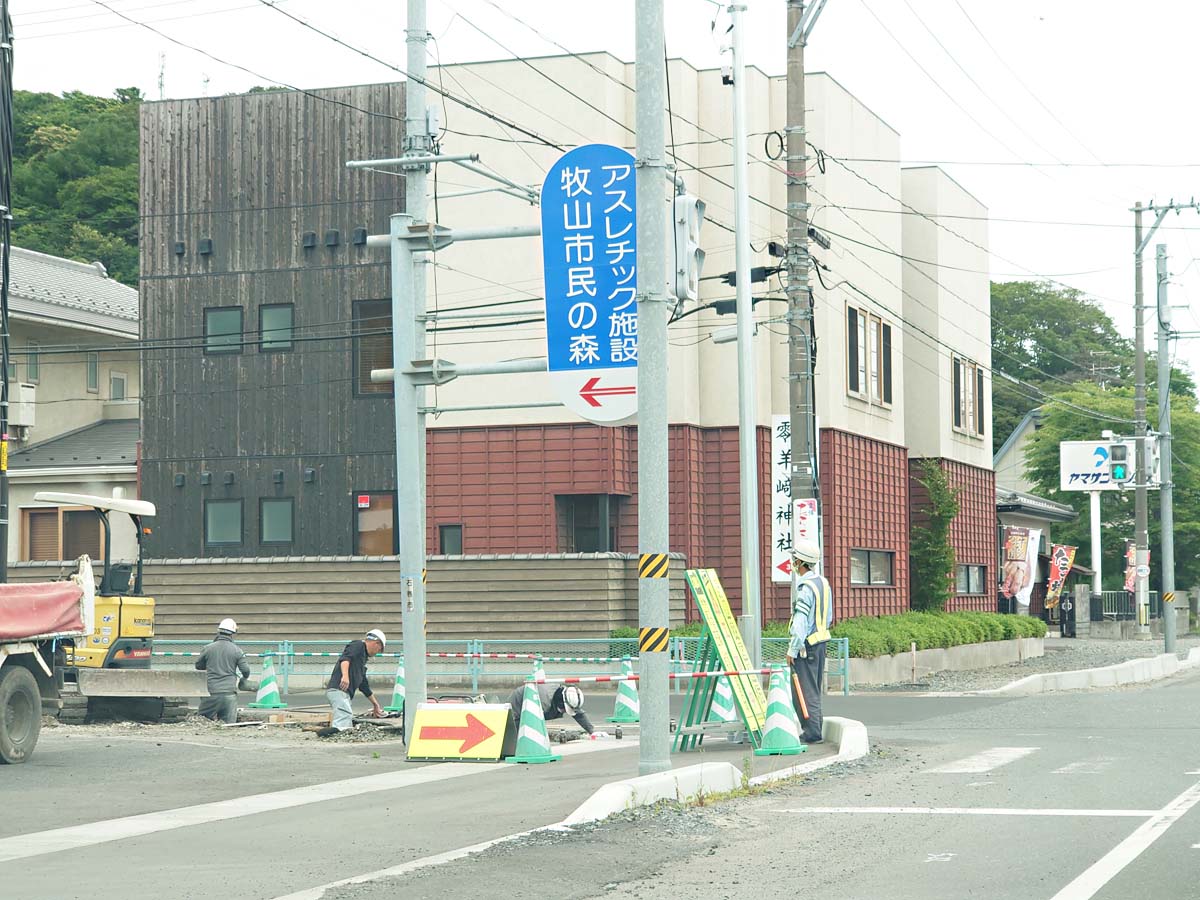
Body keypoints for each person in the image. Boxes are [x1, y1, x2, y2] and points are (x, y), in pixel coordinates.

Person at [787, 540, 833, 744]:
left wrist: (792, 649)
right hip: (821, 640)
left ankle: (812, 732)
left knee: (805, 690)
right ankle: (815, 728)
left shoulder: (805, 588)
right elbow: (828, 616)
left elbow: (800, 622)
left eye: (794, 560)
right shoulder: (822, 583)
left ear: (800, 562)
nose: (792, 563)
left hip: (807, 645)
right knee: (814, 687)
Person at [317, 629, 386, 738]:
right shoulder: (358, 645)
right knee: (344, 715)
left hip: (343, 693)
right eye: (380, 649)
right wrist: (345, 676)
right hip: (338, 690)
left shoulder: (362, 659)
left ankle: (335, 734)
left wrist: (375, 704)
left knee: (345, 715)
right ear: (376, 643)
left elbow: (364, 686)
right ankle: (334, 736)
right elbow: (345, 658)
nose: (378, 652)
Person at [195, 618, 250, 724]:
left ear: (218, 631)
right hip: (229, 694)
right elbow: (246, 670)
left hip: (211, 693)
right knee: (228, 726)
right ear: (233, 634)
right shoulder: (237, 650)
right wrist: (244, 679)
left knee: (201, 722)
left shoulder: (208, 648)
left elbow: (198, 666)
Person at [507, 681, 594, 736]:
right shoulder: (544, 701)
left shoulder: (567, 695)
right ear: (560, 702)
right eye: (565, 709)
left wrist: (592, 731)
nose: (565, 712)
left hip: (534, 701)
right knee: (517, 732)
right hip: (517, 704)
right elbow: (534, 724)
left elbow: (578, 714)